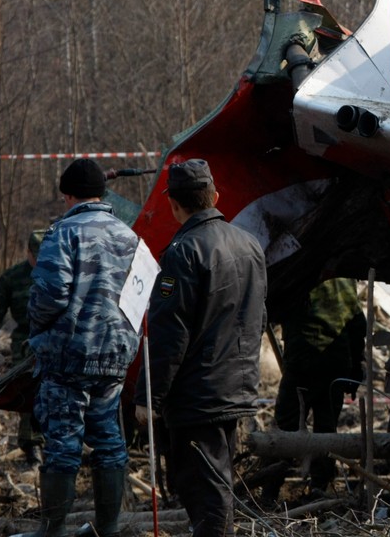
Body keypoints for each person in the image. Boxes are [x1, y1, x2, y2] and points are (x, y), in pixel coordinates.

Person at [135, 159, 267, 537]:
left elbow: (168, 332)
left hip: (198, 395)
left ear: (174, 205)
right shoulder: (250, 244)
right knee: (217, 484)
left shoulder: (183, 251)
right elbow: (258, 316)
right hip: (235, 386)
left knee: (203, 491)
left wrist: (150, 395)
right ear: (215, 197)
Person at [24, 159, 140, 537]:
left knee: (62, 443)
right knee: (109, 440)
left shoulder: (64, 232)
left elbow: (49, 295)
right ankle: (109, 528)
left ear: (69, 195)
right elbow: (142, 296)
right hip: (116, 355)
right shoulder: (129, 236)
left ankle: (53, 529)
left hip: (68, 355)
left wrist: (38, 332)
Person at [265, 277, 366, 501]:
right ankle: (320, 485)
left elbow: (275, 310)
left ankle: (270, 489)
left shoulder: (302, 273)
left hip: (304, 360)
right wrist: (355, 368)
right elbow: (358, 323)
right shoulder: (344, 279)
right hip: (336, 362)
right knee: (326, 429)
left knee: (286, 427)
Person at [0, 229, 46, 465]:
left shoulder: (61, 270)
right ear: (27, 253)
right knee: (27, 391)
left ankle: (56, 443)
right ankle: (32, 445)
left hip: (56, 340)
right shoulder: (13, 278)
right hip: (24, 342)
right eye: (36, 256)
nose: (39, 260)